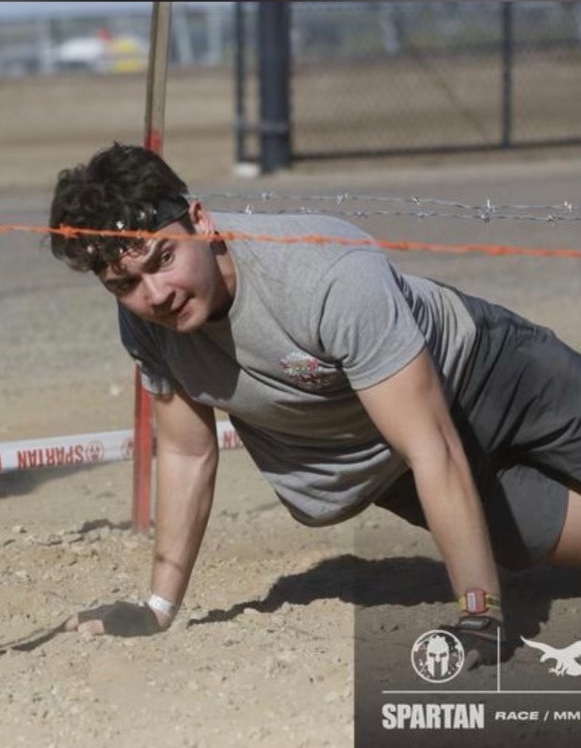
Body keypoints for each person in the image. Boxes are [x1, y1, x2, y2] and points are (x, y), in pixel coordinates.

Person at [48, 142, 581, 666]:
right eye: (125, 284)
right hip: (388, 458)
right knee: (530, 542)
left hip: (494, 372)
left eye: (164, 259)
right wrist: (157, 608)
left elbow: (431, 445)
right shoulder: (146, 324)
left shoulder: (325, 274)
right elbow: (188, 454)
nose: (156, 294)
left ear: (201, 222)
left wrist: (479, 614)